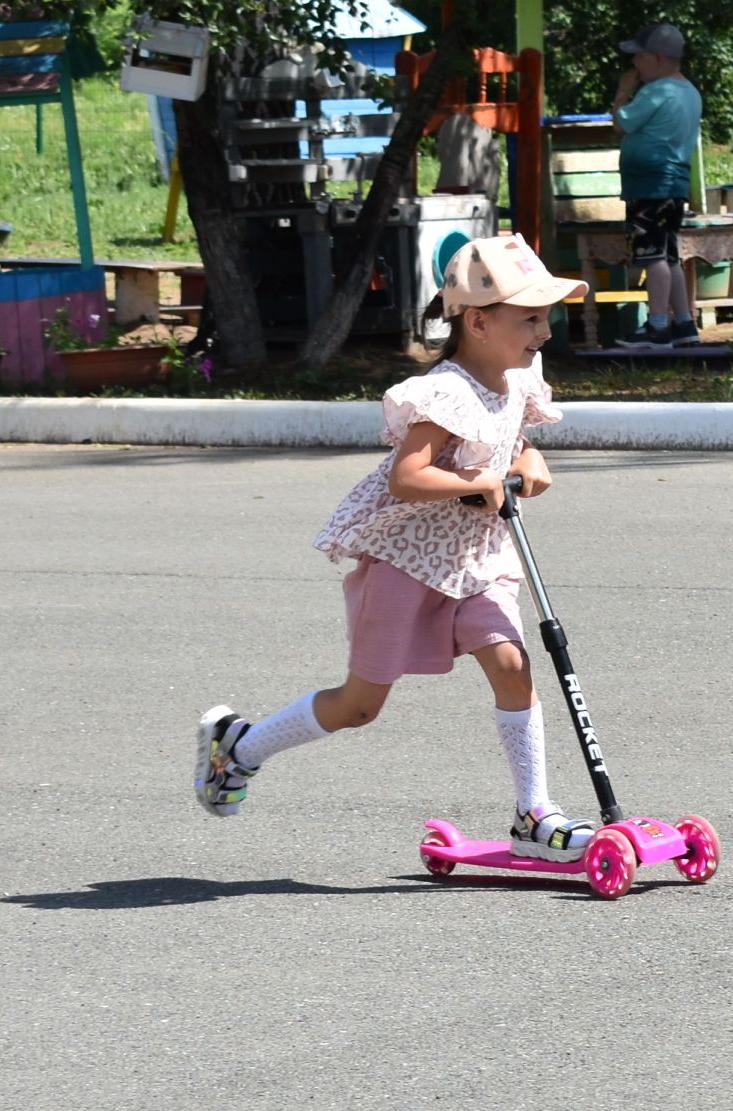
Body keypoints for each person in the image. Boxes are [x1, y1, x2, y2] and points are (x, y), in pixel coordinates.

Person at [192, 235, 601, 862]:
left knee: (515, 667)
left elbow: (511, 443)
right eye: (531, 318)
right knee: (360, 706)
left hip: (477, 556)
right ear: (479, 322)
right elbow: (406, 477)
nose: (544, 331)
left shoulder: (518, 378)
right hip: (408, 561)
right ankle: (239, 747)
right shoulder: (446, 393)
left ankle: (534, 811)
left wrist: (527, 458)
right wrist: (480, 481)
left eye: (546, 316)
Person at [608, 21, 704, 347]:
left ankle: (657, 326)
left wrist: (623, 92)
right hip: (673, 184)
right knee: (669, 255)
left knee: (652, 255)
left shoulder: (656, 91)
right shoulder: (689, 92)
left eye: (640, 57)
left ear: (659, 59)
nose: (635, 64)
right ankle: (683, 323)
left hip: (650, 186)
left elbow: (622, 123)